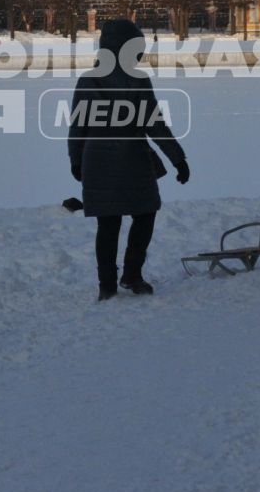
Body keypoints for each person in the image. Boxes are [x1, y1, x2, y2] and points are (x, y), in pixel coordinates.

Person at [68, 18, 190, 299]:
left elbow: (77, 127)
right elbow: (155, 125)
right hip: (132, 158)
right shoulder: (138, 80)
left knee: (108, 224)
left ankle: (107, 285)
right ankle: (132, 275)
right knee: (145, 214)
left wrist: (75, 160)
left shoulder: (87, 80)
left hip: (96, 160)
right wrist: (178, 159)